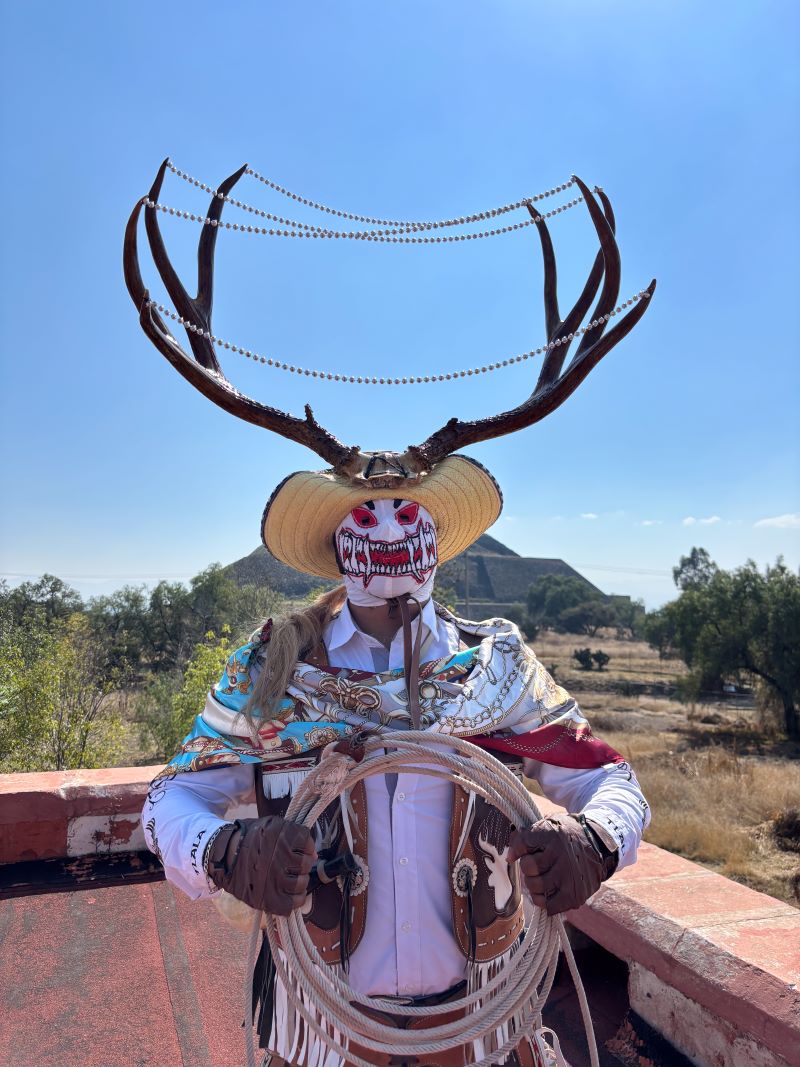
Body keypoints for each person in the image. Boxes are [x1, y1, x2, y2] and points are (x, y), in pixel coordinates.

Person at [142, 455, 650, 1067]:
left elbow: (609, 778)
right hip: (319, 1024)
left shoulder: (496, 668)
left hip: (484, 1024)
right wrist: (222, 850)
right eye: (366, 516)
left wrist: (595, 842)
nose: (388, 531)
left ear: (434, 538)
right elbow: (170, 798)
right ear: (337, 544)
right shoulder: (271, 673)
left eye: (407, 515)